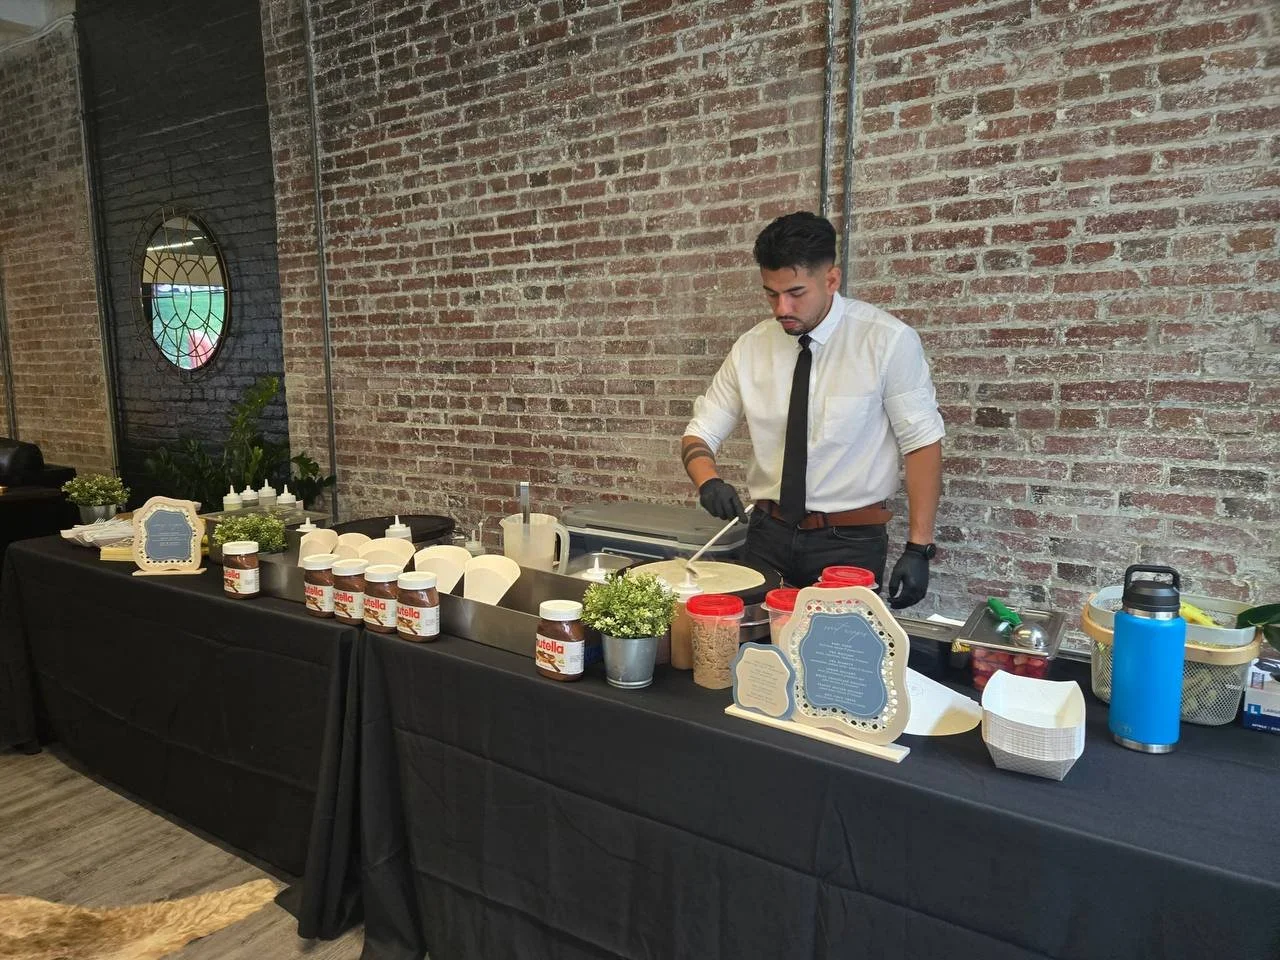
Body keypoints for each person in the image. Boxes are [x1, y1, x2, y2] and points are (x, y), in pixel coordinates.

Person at [680, 212, 944, 608]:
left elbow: (921, 443)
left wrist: (919, 546)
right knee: (755, 656)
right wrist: (708, 482)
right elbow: (700, 431)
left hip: (849, 542)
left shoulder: (886, 342)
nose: (781, 307)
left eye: (796, 293)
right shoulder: (752, 348)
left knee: (835, 663)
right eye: (771, 293)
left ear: (831, 280)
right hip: (767, 535)